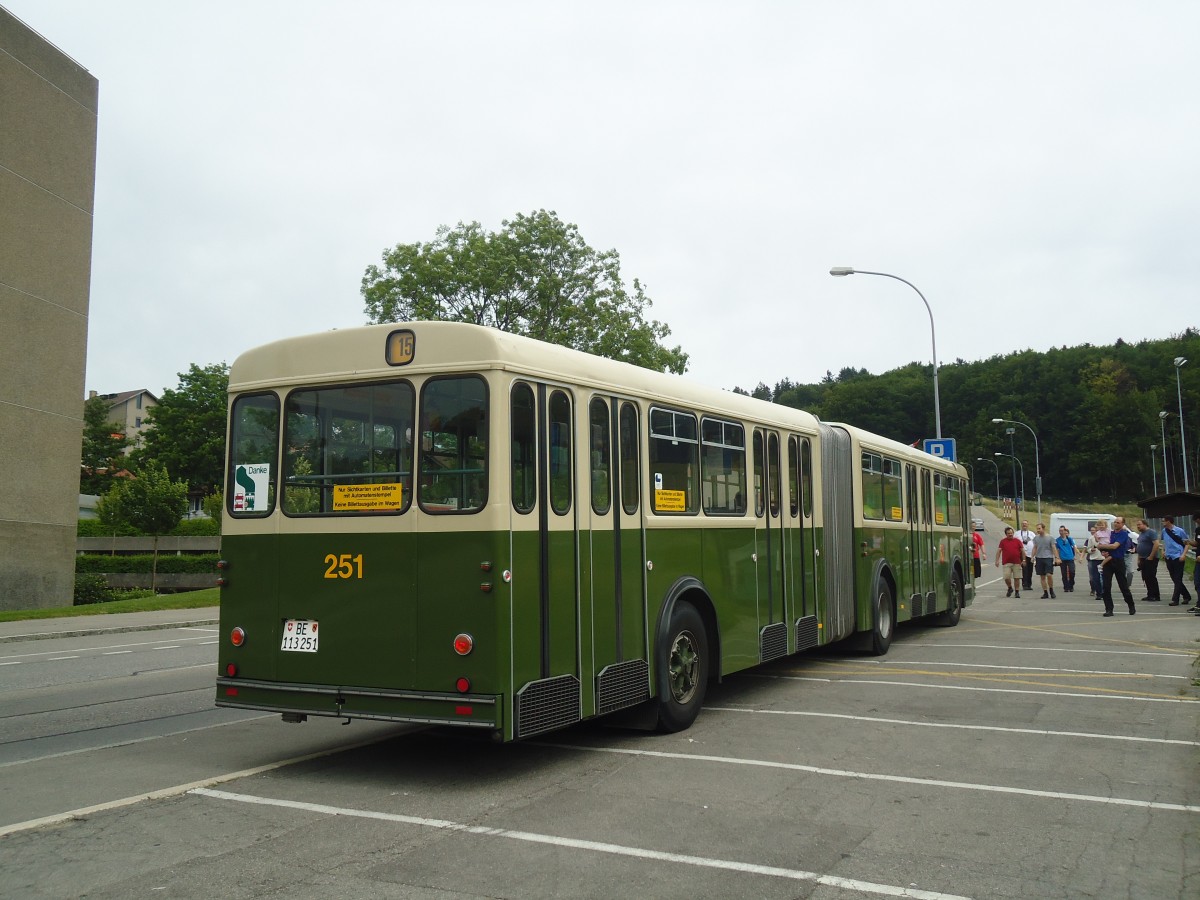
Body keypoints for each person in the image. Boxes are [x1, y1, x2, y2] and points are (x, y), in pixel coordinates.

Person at [1098, 517, 1137, 616]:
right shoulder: (1111, 533)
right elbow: (1102, 543)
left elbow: (1114, 546)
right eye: (1115, 522)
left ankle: (1131, 605)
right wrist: (1102, 550)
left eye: (1118, 522)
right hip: (1108, 562)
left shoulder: (1123, 534)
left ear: (1122, 524)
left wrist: (1101, 546)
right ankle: (1109, 609)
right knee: (1106, 587)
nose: (1115, 524)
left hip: (1118, 561)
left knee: (1123, 586)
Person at [1160, 515, 1192, 607]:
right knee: (1174, 578)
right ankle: (1186, 595)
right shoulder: (1164, 531)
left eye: (1164, 521)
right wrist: (1163, 551)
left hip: (1178, 556)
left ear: (1169, 521)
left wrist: (1183, 555)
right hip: (1169, 557)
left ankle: (1175, 599)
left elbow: (1186, 543)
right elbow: (1163, 542)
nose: (1162, 523)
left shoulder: (1180, 531)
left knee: (1178, 578)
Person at [1134, 518, 1161, 602]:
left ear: (1145, 524)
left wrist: (1151, 556)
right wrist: (1139, 559)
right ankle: (1150, 594)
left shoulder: (1151, 532)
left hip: (1150, 558)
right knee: (1145, 577)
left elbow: (1156, 544)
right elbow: (1139, 547)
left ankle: (1155, 595)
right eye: (1137, 525)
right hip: (1143, 558)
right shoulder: (1141, 534)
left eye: (1139, 524)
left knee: (1151, 576)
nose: (1138, 526)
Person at [996, 525, 1026, 598]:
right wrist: (997, 560)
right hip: (1007, 562)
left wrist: (1024, 560)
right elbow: (999, 551)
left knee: (1017, 578)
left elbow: (1022, 551)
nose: (1010, 534)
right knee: (1006, 577)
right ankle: (1010, 588)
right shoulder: (1003, 541)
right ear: (1006, 534)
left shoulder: (1017, 541)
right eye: (1009, 533)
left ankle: (1017, 592)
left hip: (1017, 562)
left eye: (1011, 533)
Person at [1032, 522, 1057, 598]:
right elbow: (1035, 547)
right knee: (1042, 576)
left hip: (1048, 558)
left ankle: (1051, 590)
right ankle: (1045, 592)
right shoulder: (1036, 538)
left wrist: (1056, 557)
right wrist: (1032, 556)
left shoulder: (1050, 538)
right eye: (1037, 529)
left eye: (1039, 528)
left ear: (1043, 528)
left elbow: (1053, 548)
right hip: (1039, 558)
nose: (1038, 530)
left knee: (1049, 575)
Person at [1053, 525, 1077, 592]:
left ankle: (1071, 585)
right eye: (1060, 531)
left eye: (1062, 531)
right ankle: (1066, 586)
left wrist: (1074, 555)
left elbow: (1074, 547)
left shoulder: (1069, 539)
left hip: (1070, 557)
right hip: (1062, 558)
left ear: (1065, 531)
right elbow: (1057, 549)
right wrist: (1057, 558)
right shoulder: (1057, 540)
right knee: (1064, 573)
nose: (1061, 532)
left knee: (1072, 572)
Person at [1015, 519, 1036, 591]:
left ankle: (1029, 584)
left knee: (1030, 570)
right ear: (1021, 525)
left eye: (1025, 524)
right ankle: (1025, 584)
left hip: (1030, 554)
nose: (1024, 525)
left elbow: (1035, 544)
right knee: (1024, 569)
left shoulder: (1032, 533)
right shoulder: (1017, 533)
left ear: (1028, 525)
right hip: (1021, 554)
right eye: (1023, 524)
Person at [1084, 524, 1105, 597]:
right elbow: (1088, 549)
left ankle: (1104, 592)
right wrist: (1091, 550)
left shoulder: (1105, 537)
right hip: (1094, 559)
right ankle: (1098, 593)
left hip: (1103, 559)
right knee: (1095, 577)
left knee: (1103, 577)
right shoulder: (1091, 538)